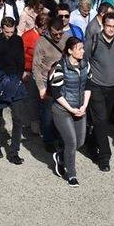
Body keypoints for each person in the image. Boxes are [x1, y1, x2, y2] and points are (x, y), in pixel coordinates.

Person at [84, 14, 114, 172]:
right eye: (109, 26)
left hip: (113, 86)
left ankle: (90, 143)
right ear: (103, 25)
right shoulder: (94, 40)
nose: (111, 29)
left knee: (102, 120)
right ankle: (104, 156)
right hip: (95, 85)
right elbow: (83, 60)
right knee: (101, 120)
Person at [0, 17, 29, 164]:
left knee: (18, 118)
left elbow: (21, 61)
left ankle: (14, 151)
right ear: (1, 28)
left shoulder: (18, 40)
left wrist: (18, 77)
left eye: (12, 31)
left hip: (15, 81)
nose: (9, 34)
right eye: (7, 31)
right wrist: (0, 80)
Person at [48, 36, 92, 187]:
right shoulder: (59, 67)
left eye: (82, 48)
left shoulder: (86, 64)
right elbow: (56, 93)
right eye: (79, 48)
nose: (83, 51)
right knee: (71, 142)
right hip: (62, 109)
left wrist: (84, 106)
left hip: (80, 109)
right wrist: (71, 109)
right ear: (69, 51)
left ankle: (60, 155)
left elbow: (88, 87)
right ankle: (71, 174)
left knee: (80, 141)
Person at [31, 17, 66, 151]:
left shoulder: (66, 39)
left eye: (60, 33)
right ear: (49, 30)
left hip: (63, 81)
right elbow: (36, 67)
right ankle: (48, 139)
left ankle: (59, 135)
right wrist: (41, 87)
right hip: (47, 81)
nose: (58, 36)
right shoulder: (41, 42)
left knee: (61, 111)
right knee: (47, 113)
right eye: (54, 34)